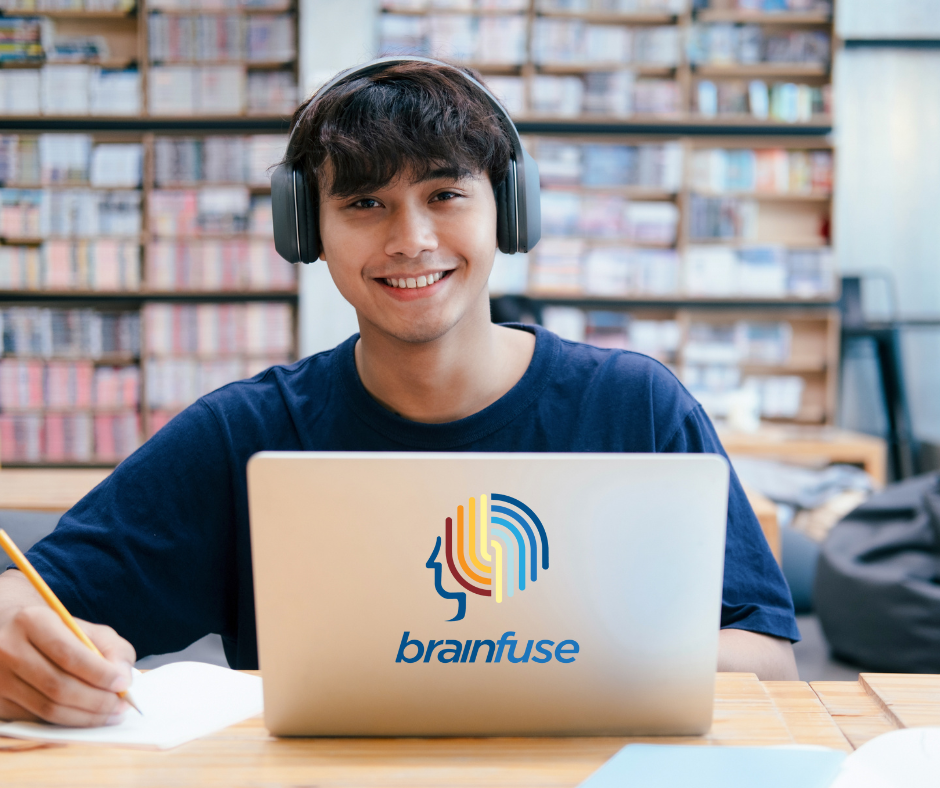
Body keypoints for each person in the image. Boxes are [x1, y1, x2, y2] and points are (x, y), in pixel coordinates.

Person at [0, 60, 799, 728]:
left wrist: (542, 656)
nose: (411, 239)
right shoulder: (245, 434)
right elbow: (35, 599)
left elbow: (769, 663)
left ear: (509, 212)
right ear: (306, 231)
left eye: (446, 195)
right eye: (365, 203)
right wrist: (18, 631)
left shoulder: (635, 408)